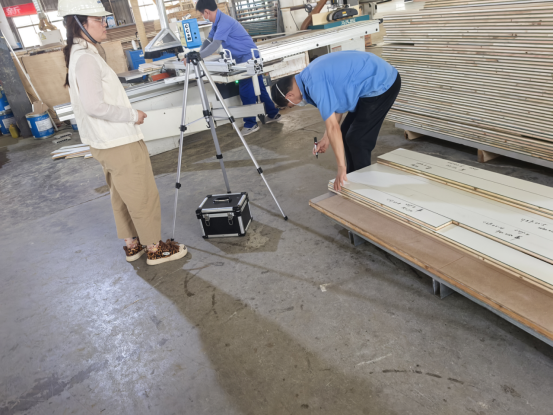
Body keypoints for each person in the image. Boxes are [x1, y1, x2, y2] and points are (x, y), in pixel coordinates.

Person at [58, 0, 188, 265]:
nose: (106, 25)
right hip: (118, 141)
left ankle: (132, 244)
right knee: (142, 194)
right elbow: (94, 106)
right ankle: (155, 248)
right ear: (80, 23)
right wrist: (132, 115)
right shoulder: (86, 59)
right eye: (99, 21)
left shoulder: (80, 55)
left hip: (105, 142)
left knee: (121, 194)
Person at [271, 50, 401, 192]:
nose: (295, 105)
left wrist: (340, 167)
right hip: (368, 83)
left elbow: (333, 126)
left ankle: (365, 188)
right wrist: (326, 138)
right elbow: (336, 108)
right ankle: (352, 177)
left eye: (291, 105)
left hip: (382, 83)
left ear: (289, 95)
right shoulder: (307, 77)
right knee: (345, 133)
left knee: (358, 140)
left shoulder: (315, 85)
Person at [196, 0, 281, 136]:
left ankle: (251, 124)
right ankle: (273, 114)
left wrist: (198, 56)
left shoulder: (224, 22)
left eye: (202, 14)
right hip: (245, 56)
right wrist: (198, 54)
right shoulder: (217, 22)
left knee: (246, 90)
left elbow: (215, 44)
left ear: (206, 11)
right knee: (259, 87)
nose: (203, 17)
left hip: (248, 58)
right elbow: (209, 40)